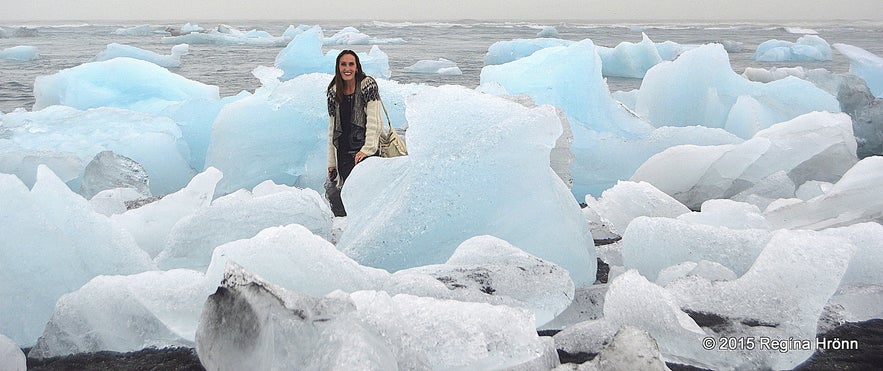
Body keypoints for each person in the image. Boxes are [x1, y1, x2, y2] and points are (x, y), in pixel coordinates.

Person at [325, 50, 384, 217]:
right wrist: (332, 162)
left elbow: (375, 121)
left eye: (351, 64)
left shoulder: (367, 85)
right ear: (338, 67)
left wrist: (368, 149)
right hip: (343, 152)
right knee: (343, 197)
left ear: (357, 67)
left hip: (363, 151)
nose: (347, 68)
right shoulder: (333, 91)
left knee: (365, 194)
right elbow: (332, 129)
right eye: (343, 64)